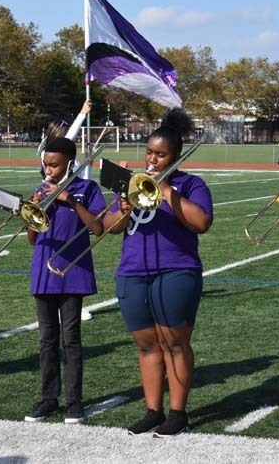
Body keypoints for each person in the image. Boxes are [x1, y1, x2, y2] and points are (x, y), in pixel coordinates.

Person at [103, 109, 213, 437]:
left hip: (176, 270)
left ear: (175, 156)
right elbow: (108, 228)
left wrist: (166, 192)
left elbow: (202, 222)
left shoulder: (191, 184)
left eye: (160, 154)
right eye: (149, 152)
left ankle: (178, 413)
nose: (152, 159)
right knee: (147, 344)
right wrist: (123, 209)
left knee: (174, 342)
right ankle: (153, 410)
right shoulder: (132, 184)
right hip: (133, 271)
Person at [24, 137, 106, 425]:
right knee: (47, 341)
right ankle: (48, 399)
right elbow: (33, 239)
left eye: (54, 165)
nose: (48, 170)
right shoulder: (40, 189)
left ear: (71, 163)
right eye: (46, 164)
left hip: (73, 274)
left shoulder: (87, 189)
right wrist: (33, 211)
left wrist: (69, 200)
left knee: (71, 341)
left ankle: (74, 402)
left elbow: (98, 228)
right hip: (43, 273)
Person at [39, 100, 92, 178]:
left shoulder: (70, 155)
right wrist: (82, 113)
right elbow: (68, 139)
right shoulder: (47, 153)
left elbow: (84, 181)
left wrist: (88, 166)